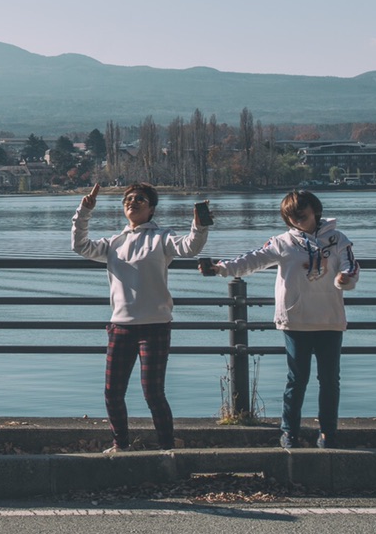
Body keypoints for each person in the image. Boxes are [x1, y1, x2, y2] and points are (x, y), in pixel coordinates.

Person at [201, 190, 358, 450]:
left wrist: (345, 279)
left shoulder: (337, 239)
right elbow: (253, 260)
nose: (297, 218)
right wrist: (222, 268)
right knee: (297, 379)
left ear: (314, 209)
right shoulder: (282, 242)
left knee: (330, 380)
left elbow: (350, 266)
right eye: (291, 215)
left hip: (329, 319)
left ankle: (328, 432)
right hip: (295, 320)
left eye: (301, 212)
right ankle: (289, 432)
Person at [71, 182, 211, 453]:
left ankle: (166, 449)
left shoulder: (162, 238)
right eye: (128, 199)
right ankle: (120, 445)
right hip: (120, 326)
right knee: (112, 393)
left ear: (151, 208)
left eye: (140, 199)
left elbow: (189, 248)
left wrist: (199, 225)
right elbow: (80, 246)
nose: (132, 202)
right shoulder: (114, 242)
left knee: (153, 394)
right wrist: (84, 212)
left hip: (155, 327)